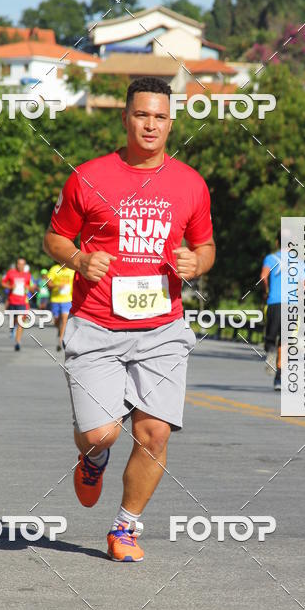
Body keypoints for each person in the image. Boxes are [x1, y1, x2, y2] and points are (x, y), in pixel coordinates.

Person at [43, 76, 215, 562]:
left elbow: (205, 246)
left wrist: (196, 263)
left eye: (160, 117)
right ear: (125, 117)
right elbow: (55, 238)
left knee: (154, 432)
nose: (151, 125)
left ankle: (125, 528)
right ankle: (93, 458)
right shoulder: (88, 176)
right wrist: (78, 260)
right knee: (103, 433)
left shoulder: (190, 183)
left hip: (162, 328)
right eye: (142, 115)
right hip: (96, 325)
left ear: (171, 123)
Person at [260, 237, 282, 391]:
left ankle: (271, 353)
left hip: (274, 303)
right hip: (293, 305)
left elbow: (263, 277)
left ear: (277, 242)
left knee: (271, 335)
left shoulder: (271, 258)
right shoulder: (300, 263)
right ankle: (279, 378)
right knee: (286, 342)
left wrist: (266, 290)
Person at [1, 258, 31, 351]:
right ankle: (12, 328)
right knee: (14, 320)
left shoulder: (27, 275)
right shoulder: (10, 273)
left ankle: (18, 342)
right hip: (12, 301)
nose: (20, 266)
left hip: (22, 301)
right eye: (18, 264)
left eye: (22, 264)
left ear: (24, 265)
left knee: (20, 321)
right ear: (16, 264)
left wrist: (28, 287)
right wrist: (10, 286)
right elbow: (2, 283)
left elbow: (30, 287)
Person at [47, 262, 75, 351]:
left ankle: (60, 340)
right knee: (56, 320)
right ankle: (59, 330)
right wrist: (57, 285)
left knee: (64, 318)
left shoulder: (72, 271)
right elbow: (48, 283)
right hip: (55, 299)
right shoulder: (54, 269)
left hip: (67, 299)